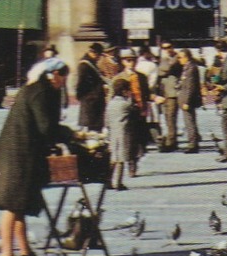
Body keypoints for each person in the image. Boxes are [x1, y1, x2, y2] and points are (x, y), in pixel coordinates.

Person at [0, 57, 71, 256]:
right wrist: (70, 134)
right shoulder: (39, 92)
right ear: (53, 74)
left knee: (19, 204)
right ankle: (6, 255)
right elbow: (45, 127)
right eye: (62, 78)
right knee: (12, 205)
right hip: (18, 155)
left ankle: (25, 252)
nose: (63, 83)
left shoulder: (34, 89)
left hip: (18, 152)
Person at [105, 56, 150, 190]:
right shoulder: (126, 104)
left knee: (114, 159)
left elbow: (107, 120)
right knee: (121, 160)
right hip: (124, 134)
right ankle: (118, 183)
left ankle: (108, 181)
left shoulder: (111, 104)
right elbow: (134, 111)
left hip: (114, 134)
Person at [154, 41, 182, 152]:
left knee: (171, 117)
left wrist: (162, 61)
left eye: (168, 47)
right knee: (167, 117)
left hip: (172, 92)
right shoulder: (163, 58)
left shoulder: (176, 58)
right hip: (164, 92)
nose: (166, 49)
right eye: (164, 48)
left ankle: (171, 142)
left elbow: (166, 69)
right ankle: (171, 139)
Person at [74, 43, 107, 132]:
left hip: (93, 100)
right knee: (92, 130)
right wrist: (81, 96)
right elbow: (81, 82)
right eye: (99, 55)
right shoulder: (85, 64)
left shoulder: (91, 63)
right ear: (94, 53)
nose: (99, 58)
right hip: (90, 101)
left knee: (95, 128)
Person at [176, 46, 203, 153]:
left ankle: (193, 144)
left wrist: (187, 101)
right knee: (190, 121)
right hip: (184, 98)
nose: (179, 60)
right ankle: (193, 141)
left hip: (187, 100)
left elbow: (191, 86)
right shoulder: (187, 67)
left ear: (187, 57)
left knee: (189, 122)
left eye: (181, 57)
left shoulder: (191, 68)